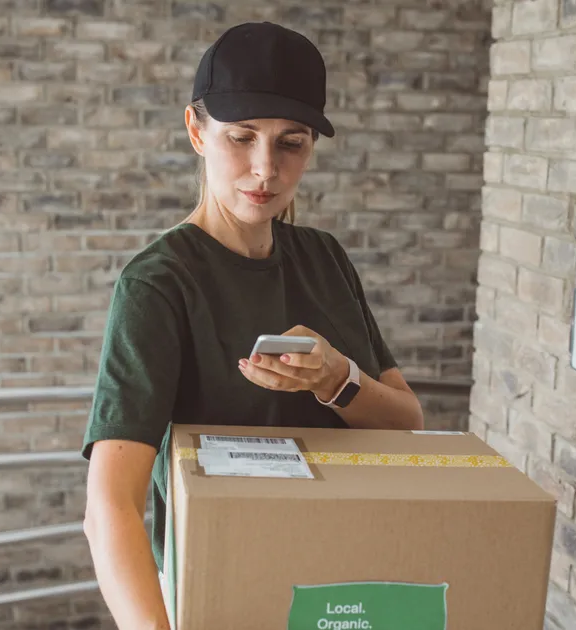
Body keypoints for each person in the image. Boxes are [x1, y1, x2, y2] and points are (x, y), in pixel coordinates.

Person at [79, 21, 425, 630]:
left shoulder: (324, 257)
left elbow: (406, 422)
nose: (265, 169)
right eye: (242, 137)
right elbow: (109, 506)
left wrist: (335, 379)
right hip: (217, 583)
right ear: (196, 131)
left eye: (290, 143)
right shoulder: (158, 284)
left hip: (344, 581)